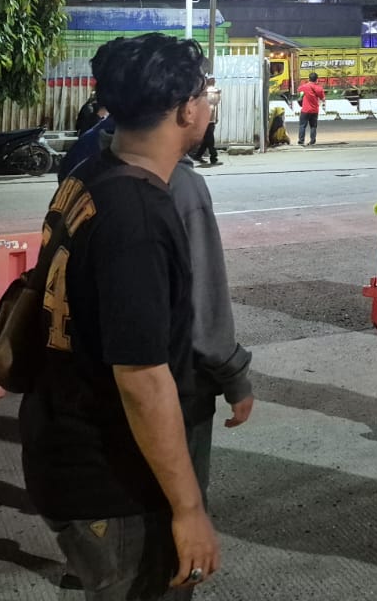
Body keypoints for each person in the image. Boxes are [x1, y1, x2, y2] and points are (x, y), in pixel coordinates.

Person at [19, 34, 219, 600]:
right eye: (205, 95)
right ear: (184, 110)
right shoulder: (138, 216)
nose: (209, 106)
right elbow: (142, 377)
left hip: (61, 441)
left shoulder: (89, 174)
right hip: (112, 478)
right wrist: (189, 509)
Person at [167, 158, 254, 493]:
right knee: (179, 501)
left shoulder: (87, 166)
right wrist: (235, 378)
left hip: (96, 386)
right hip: (171, 384)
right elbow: (203, 300)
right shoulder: (180, 184)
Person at [194, 77, 220, 167]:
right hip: (208, 119)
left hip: (209, 118)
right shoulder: (210, 92)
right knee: (210, 139)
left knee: (207, 139)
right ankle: (213, 157)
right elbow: (215, 102)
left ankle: (198, 155)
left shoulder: (205, 92)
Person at [297, 72, 324, 146]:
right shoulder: (319, 88)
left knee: (302, 125)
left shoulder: (304, 86)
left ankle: (301, 141)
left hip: (305, 110)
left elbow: (299, 90)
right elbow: (323, 99)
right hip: (314, 110)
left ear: (309, 79)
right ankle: (312, 141)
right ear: (317, 79)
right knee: (313, 126)